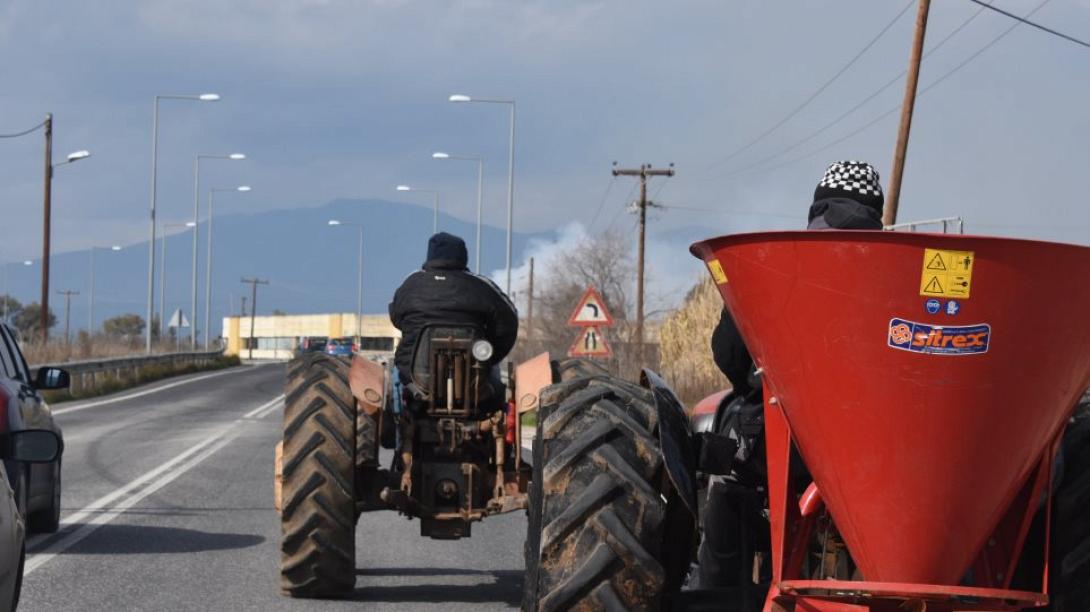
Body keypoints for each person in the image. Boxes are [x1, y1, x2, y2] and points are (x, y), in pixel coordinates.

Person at [698, 160, 884, 591]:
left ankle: (722, 594)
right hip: (880, 456)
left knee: (727, 478)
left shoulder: (776, 262)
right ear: (876, 210)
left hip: (787, 447)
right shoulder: (903, 268)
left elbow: (728, 353)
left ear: (817, 205)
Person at [388, 232, 519, 387]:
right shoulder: (481, 286)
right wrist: (489, 355)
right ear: (463, 256)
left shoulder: (410, 285)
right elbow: (509, 321)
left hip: (413, 380)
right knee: (496, 388)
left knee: (395, 381)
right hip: (474, 381)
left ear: (430, 255)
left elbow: (396, 317)